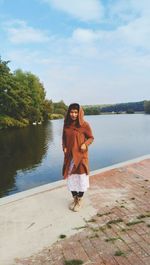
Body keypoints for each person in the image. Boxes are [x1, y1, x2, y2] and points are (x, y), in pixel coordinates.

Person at [62, 103, 94, 212]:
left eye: (76, 112)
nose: (73, 114)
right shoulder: (66, 124)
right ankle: (74, 199)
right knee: (71, 179)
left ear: (79, 113)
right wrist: (64, 147)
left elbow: (91, 138)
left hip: (81, 156)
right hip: (69, 157)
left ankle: (79, 200)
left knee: (81, 179)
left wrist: (85, 144)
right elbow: (63, 139)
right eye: (71, 112)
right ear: (69, 112)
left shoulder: (84, 125)